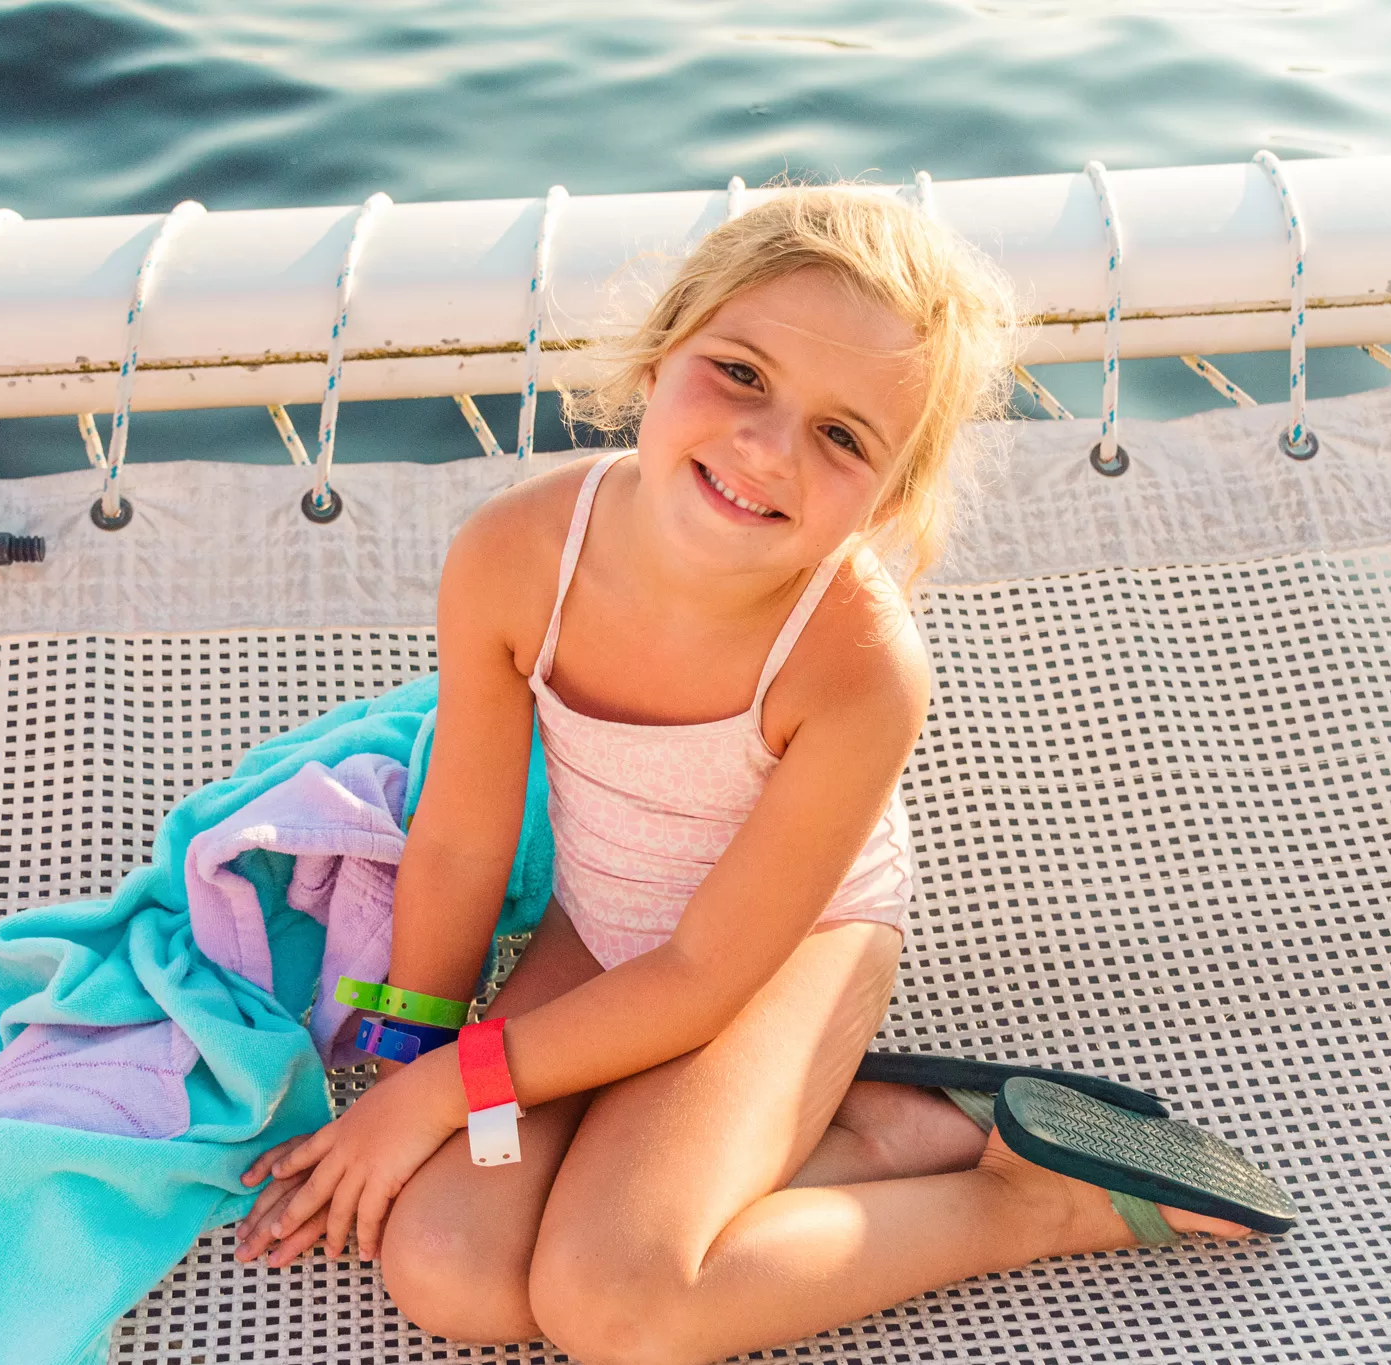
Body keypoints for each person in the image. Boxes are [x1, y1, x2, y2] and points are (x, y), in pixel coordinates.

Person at [230, 188, 1276, 1363]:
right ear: (662, 346)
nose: (767, 448)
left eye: (842, 437)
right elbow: (467, 838)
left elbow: (701, 974)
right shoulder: (513, 556)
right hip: (606, 926)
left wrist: (451, 1094)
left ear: (887, 496)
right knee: (446, 1270)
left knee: (617, 1305)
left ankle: (1021, 1195)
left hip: (778, 957)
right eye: (738, 373)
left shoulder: (859, 666)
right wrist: (410, 1055)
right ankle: (874, 1124)